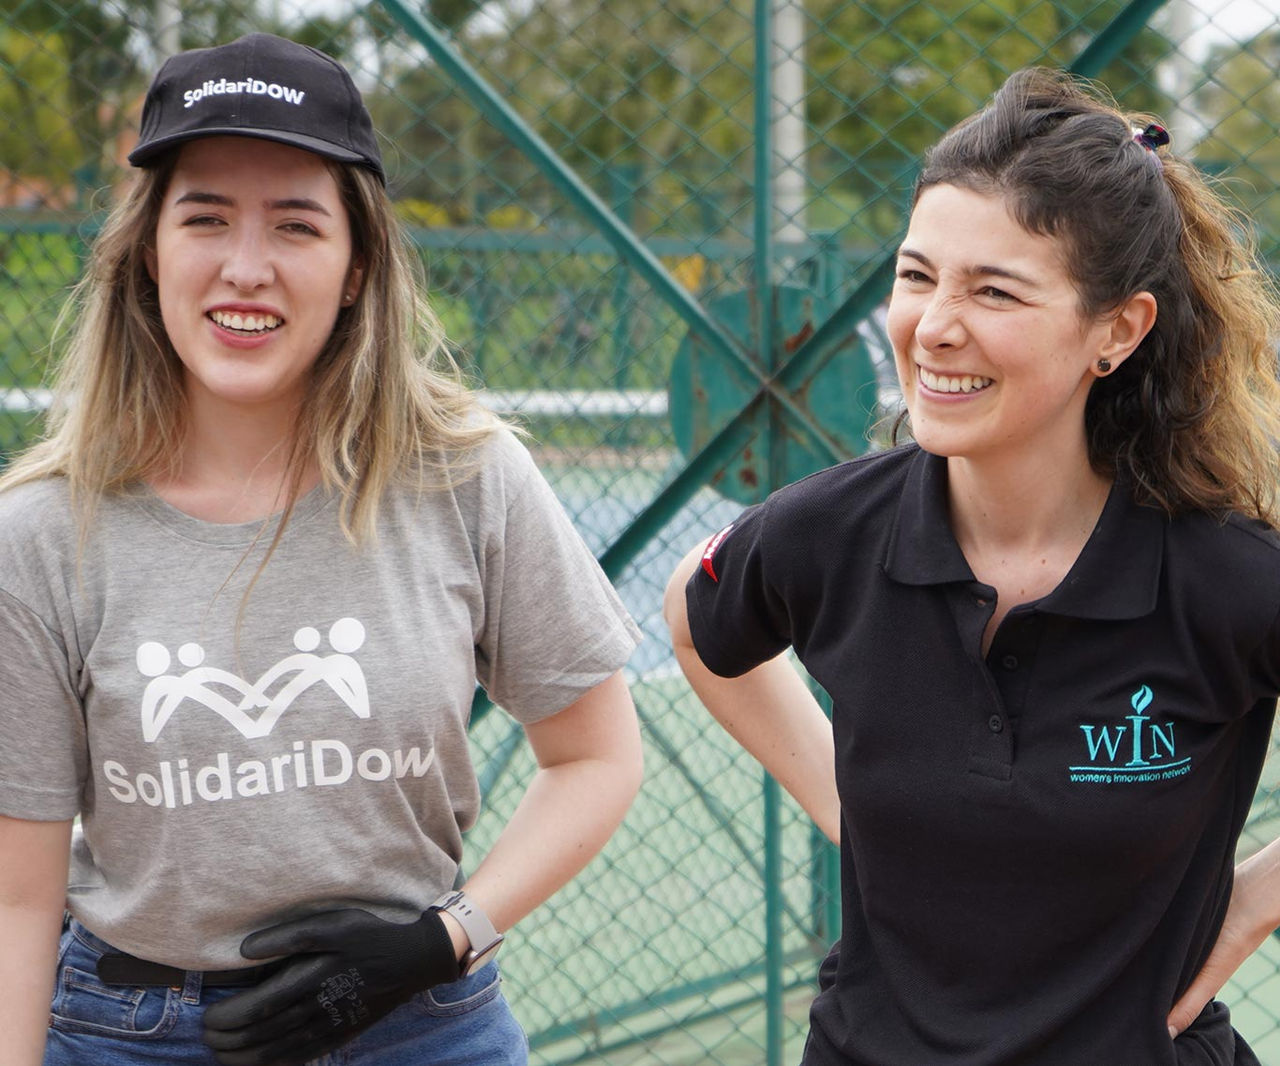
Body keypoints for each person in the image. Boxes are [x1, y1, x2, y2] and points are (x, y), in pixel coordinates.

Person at [0, 32, 644, 1066]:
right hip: (135, 1035)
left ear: (354, 269)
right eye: (204, 217)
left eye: (295, 224)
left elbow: (596, 755)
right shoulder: (40, 532)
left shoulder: (464, 477)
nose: (244, 266)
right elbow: (18, 894)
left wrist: (441, 939)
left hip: (424, 1022)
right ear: (147, 252)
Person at [665, 66, 1280, 1065]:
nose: (933, 325)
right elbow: (696, 621)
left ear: (1115, 331)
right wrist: (840, 803)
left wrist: (1249, 903)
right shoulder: (829, 531)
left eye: (992, 289)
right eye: (916, 275)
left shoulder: (1222, 578)